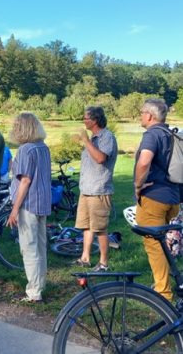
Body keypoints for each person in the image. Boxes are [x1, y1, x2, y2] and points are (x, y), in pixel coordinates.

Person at [134, 98, 180, 301]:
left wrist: (137, 185)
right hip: (174, 198)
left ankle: (163, 292)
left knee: (154, 245)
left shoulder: (152, 134)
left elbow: (144, 162)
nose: (140, 115)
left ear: (150, 116)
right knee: (163, 243)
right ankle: (170, 281)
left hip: (155, 198)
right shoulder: (171, 133)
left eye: (142, 112)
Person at [6, 113, 51, 303]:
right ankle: (39, 285)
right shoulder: (43, 148)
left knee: (29, 248)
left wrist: (15, 209)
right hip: (43, 202)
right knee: (41, 247)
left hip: (28, 204)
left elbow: (25, 180)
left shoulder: (26, 149)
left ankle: (34, 292)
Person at [75, 106, 118, 272]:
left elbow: (100, 158)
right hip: (86, 189)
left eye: (86, 118)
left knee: (100, 228)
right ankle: (85, 258)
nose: (84, 120)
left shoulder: (107, 137)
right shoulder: (93, 138)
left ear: (95, 120)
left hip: (99, 190)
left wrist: (85, 141)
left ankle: (104, 263)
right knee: (87, 226)